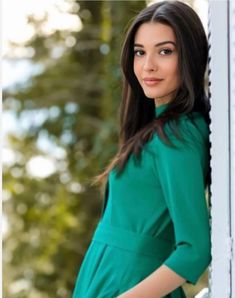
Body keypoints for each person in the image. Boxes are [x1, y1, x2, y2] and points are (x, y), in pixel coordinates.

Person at [72, 1, 211, 297]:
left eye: (165, 51)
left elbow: (195, 249)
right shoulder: (158, 130)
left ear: (190, 56)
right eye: (140, 52)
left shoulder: (178, 134)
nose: (148, 65)